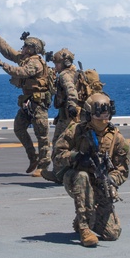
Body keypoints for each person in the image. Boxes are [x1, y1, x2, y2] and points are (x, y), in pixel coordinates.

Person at [52, 92, 130, 247]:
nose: (103, 121)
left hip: (101, 183)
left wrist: (111, 180)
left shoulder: (117, 138)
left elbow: (122, 170)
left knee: (112, 234)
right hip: (75, 179)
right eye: (98, 117)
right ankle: (84, 228)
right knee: (82, 176)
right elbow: (57, 155)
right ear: (89, 115)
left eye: (106, 117)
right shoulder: (76, 130)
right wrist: (76, 157)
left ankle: (87, 217)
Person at [0, 29, 53, 176]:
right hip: (27, 102)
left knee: (42, 135)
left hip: (38, 103)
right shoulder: (25, 59)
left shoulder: (36, 63)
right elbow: (8, 51)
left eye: (26, 46)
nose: (22, 48)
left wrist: (2, 64)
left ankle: (43, 166)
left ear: (32, 49)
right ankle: (33, 157)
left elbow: (21, 72)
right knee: (19, 128)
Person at [40, 48, 80, 182]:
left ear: (65, 63)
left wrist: (71, 105)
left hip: (68, 117)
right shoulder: (74, 73)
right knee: (71, 145)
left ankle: (58, 174)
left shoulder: (64, 75)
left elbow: (71, 90)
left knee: (59, 144)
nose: (55, 66)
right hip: (71, 116)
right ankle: (69, 172)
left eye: (57, 63)